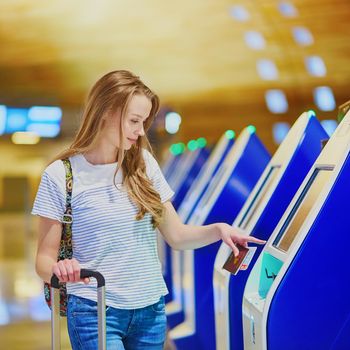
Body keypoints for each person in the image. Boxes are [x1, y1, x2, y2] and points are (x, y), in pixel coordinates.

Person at [33, 70, 265, 350]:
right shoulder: (60, 175)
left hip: (151, 311)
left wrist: (219, 230)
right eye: (134, 121)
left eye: (143, 122)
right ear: (105, 112)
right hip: (94, 310)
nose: (141, 131)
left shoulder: (143, 165)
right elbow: (43, 263)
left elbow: (177, 236)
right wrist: (62, 269)